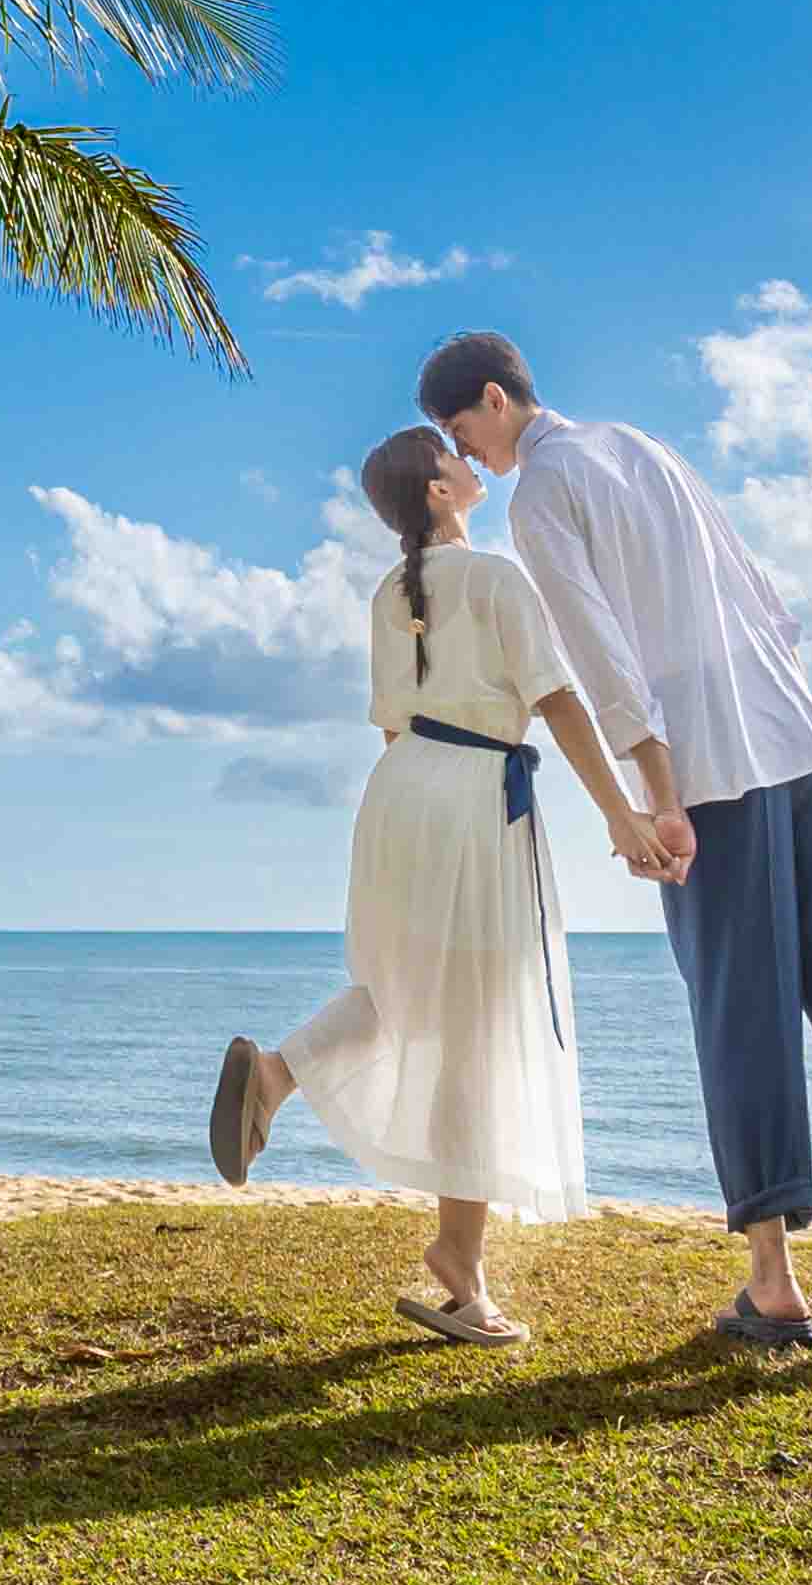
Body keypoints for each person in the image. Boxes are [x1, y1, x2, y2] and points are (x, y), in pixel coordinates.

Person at [423, 326, 812, 1355]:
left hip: (712, 767)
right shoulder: (640, 443)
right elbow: (765, 598)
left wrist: (657, 791)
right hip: (798, 738)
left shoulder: (543, 494)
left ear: (496, 401)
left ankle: (773, 1284)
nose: (467, 456)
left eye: (463, 430)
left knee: (741, 1008)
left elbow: (599, 650)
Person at [199, 422, 675, 1346]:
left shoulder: (388, 593)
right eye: (453, 459)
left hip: (399, 793)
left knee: (409, 993)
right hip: (473, 800)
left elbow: (391, 724)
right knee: (480, 1020)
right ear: (438, 490)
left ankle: (281, 1074)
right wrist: (622, 812)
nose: (469, 463)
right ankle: (458, 1257)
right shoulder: (496, 578)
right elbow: (559, 701)